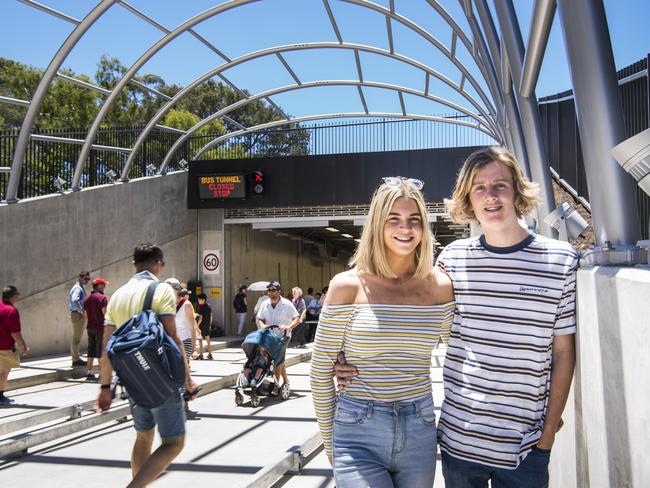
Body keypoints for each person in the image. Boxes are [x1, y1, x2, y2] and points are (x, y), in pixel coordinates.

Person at [336, 148, 579, 488]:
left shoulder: (561, 261)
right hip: (459, 443)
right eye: (479, 187)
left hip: (525, 447)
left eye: (499, 185)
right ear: (467, 198)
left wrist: (549, 430)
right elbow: (414, 320)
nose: (490, 196)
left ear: (517, 190)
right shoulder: (452, 260)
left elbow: (564, 352)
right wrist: (350, 355)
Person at [310, 176, 455, 487]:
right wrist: (329, 440)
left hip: (420, 428)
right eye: (395, 219)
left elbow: (462, 350)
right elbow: (320, 369)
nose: (405, 228)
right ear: (378, 224)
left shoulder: (440, 287)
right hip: (357, 430)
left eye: (414, 220)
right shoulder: (347, 286)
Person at [96, 244, 198, 488]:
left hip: (130, 378)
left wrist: (104, 387)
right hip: (159, 377)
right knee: (174, 443)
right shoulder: (162, 290)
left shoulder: (118, 295)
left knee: (143, 437)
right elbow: (173, 337)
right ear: (158, 264)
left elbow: (106, 346)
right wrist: (187, 378)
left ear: (134, 264)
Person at [256, 281, 300, 396]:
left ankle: (276, 385)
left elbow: (297, 318)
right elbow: (260, 318)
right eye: (269, 290)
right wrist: (262, 325)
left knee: (277, 360)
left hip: (283, 336)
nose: (270, 292)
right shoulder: (265, 303)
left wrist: (288, 327)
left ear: (279, 291)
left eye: (273, 290)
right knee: (278, 360)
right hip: (269, 336)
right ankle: (286, 381)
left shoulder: (287, 304)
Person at [0, 286, 29, 405]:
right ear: (12, 297)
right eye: (16, 296)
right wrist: (24, 346)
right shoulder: (11, 311)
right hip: (5, 347)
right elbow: (15, 333)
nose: (16, 298)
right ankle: (0, 396)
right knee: (4, 372)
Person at [83, 277, 109, 381]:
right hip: (100, 328)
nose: (104, 286)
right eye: (103, 284)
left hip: (90, 328)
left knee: (91, 351)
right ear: (99, 286)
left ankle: (89, 372)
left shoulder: (87, 299)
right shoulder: (102, 298)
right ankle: (101, 374)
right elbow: (105, 314)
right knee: (100, 351)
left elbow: (85, 315)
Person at [165, 279, 196, 362]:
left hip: (184, 341)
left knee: (181, 369)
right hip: (170, 342)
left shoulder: (186, 305)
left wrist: (194, 346)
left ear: (177, 290)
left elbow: (192, 328)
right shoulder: (165, 304)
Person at [69, 270, 90, 367]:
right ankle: (75, 360)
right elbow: (75, 300)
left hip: (78, 314)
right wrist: (81, 311)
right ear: (80, 278)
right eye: (85, 279)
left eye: (88, 279)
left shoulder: (80, 288)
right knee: (76, 338)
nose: (87, 281)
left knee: (77, 338)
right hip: (78, 315)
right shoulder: (78, 288)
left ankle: (76, 358)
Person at [195, 293, 213, 360]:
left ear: (203, 300)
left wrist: (197, 326)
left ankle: (201, 354)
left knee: (200, 340)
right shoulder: (209, 306)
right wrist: (210, 325)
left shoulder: (201, 307)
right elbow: (211, 316)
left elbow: (200, 318)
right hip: (207, 325)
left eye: (199, 299)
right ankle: (210, 354)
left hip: (202, 326)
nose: (198, 301)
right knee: (208, 340)